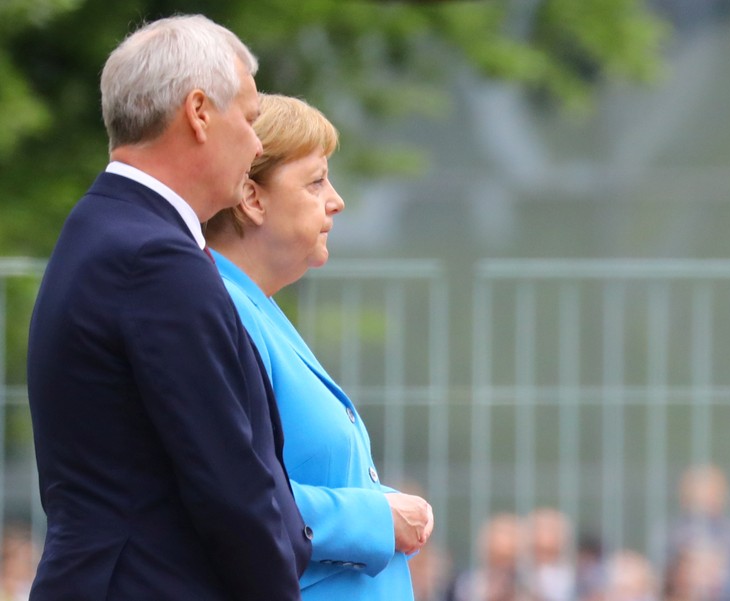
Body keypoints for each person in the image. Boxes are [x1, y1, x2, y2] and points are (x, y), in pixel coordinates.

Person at [27, 15, 311, 600]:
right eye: (252, 119)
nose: (257, 144)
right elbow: (228, 482)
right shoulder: (153, 257)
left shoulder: (104, 228)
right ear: (199, 112)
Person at [203, 93, 434, 599]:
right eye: (315, 181)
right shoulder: (223, 312)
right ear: (251, 197)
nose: (336, 200)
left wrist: (383, 505)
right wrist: (377, 517)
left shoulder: (253, 307)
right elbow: (227, 497)